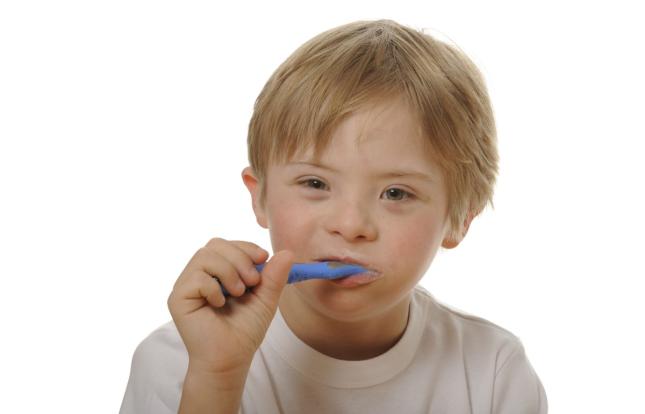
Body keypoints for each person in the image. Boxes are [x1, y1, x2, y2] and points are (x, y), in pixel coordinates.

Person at [120, 19, 547, 414]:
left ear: (460, 220)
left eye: (395, 193)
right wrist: (216, 378)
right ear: (260, 197)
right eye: (315, 184)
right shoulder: (181, 360)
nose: (351, 225)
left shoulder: (494, 374)